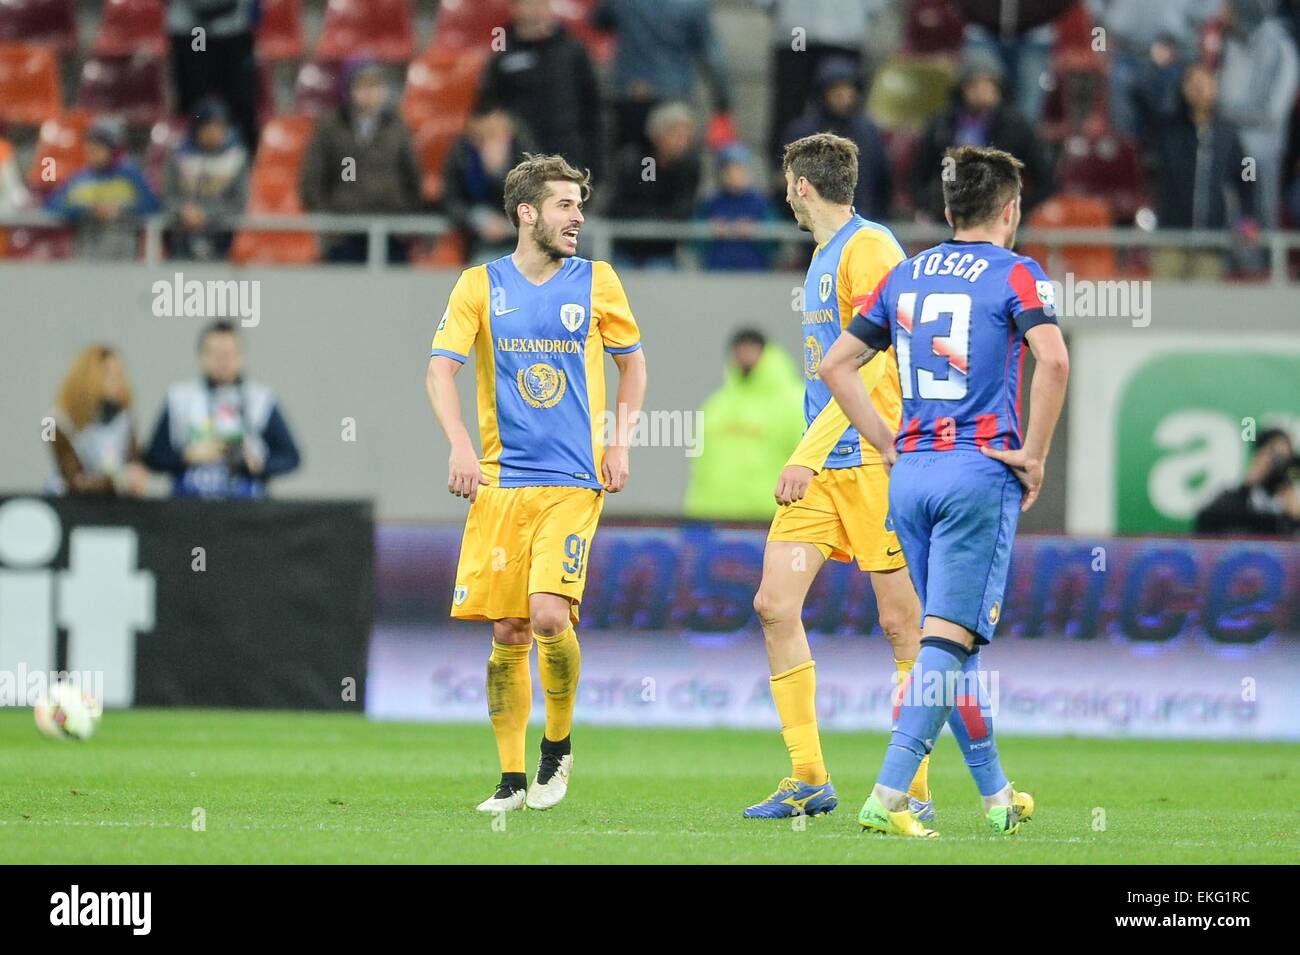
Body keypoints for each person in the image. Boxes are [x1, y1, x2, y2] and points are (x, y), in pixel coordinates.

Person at [818, 144, 1070, 837]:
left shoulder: (907, 273)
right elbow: (1052, 357)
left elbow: (837, 363)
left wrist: (883, 438)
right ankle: (890, 792)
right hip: (976, 470)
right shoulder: (1019, 274)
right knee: (947, 640)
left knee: (946, 642)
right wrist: (1035, 455)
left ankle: (996, 795)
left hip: (912, 475)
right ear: (1011, 209)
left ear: (951, 207)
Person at [425, 154, 647, 813]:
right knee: (508, 632)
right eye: (564, 205)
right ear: (527, 213)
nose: (578, 215)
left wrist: (620, 440)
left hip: (573, 480)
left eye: (580, 204)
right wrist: (461, 444)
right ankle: (511, 778)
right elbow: (440, 371)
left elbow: (635, 369)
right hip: (500, 483)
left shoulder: (597, 281)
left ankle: (558, 742)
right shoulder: (478, 285)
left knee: (550, 613)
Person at [743, 133, 932, 821]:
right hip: (826, 471)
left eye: (785, 182)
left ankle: (914, 786)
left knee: (901, 623)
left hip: (876, 464)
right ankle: (808, 776)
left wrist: (807, 450)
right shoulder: (826, 254)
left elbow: (874, 361)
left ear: (799, 185)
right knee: (774, 603)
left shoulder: (869, 248)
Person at [144, 321, 301, 499]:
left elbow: (291, 457)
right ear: (201, 357)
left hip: (247, 506)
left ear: (241, 356)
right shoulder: (179, 398)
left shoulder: (261, 400)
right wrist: (187, 456)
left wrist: (256, 464)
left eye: (228, 354)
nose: (222, 361)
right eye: (215, 354)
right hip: (189, 507)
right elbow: (153, 457)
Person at [300, 59, 423, 264]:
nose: (370, 92)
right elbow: (312, 180)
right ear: (349, 89)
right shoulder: (330, 127)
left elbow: (413, 179)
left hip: (390, 232)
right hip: (344, 233)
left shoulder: (397, 126)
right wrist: (328, 223)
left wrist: (405, 223)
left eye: (376, 85)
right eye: (363, 85)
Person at [911, 51, 1051, 222]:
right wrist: (931, 206)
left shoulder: (1016, 126)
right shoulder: (942, 124)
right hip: (949, 215)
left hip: (999, 216)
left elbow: (1043, 179)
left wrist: (1017, 207)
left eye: (989, 85)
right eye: (975, 85)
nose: (982, 91)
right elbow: (920, 174)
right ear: (963, 88)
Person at [683, 329, 805, 520]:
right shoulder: (716, 405)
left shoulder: (796, 402)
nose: (744, 354)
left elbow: (810, 461)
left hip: (772, 517)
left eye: (751, 348)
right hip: (714, 520)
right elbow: (701, 467)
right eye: (739, 349)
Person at [1152, 63, 1257, 278]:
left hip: (1212, 242)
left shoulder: (1227, 133)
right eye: (1193, 83)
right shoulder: (1169, 129)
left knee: (1205, 307)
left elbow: (1248, 173)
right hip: (1171, 238)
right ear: (1183, 88)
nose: (1199, 88)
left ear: (1215, 88)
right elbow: (1144, 95)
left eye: (1205, 82)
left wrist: (1247, 217)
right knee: (1166, 307)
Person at [475, 0, 603, 176]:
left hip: (568, 157)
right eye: (530, 3)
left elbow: (593, 109)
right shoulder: (502, 56)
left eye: (542, 3)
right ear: (516, 8)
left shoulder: (573, 51)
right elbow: (485, 110)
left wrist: (596, 164)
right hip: (520, 160)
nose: (537, 9)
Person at [593, 0, 733, 155]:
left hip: (632, 94)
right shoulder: (693, 5)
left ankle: (644, 178)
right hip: (672, 95)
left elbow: (599, 20)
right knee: (668, 160)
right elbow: (712, 57)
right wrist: (722, 104)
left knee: (636, 162)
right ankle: (650, 177)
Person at [780, 57, 892, 219]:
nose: (844, 97)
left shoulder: (867, 131)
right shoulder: (803, 131)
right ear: (823, 93)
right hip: (813, 225)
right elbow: (789, 181)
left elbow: (881, 182)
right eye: (836, 91)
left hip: (861, 220)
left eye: (848, 90)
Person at [45, 117, 161, 260]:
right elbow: (53, 205)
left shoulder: (130, 176)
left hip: (124, 257)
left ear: (113, 150)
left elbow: (152, 205)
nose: (92, 154)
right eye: (90, 149)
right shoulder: (80, 178)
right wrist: (88, 210)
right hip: (86, 255)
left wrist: (120, 210)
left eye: (98, 149)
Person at [608, 101, 701, 268]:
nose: (682, 143)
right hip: (627, 247)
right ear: (657, 135)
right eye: (676, 135)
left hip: (662, 252)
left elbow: (682, 211)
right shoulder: (642, 161)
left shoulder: (689, 168)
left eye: (686, 137)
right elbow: (628, 203)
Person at [47, 345, 148, 497]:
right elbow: (74, 479)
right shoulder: (52, 421)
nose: (117, 381)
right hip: (66, 500)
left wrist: (135, 475)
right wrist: (118, 481)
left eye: (119, 373)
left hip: (112, 503)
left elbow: (133, 461)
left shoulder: (127, 417)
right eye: (108, 374)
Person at [441, 106, 535, 264]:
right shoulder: (462, 154)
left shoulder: (525, 155)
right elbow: (451, 201)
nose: (488, 142)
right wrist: (476, 218)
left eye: (495, 134)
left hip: (522, 242)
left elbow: (537, 197)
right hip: (477, 243)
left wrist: (499, 172)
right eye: (482, 137)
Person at [166, 0, 260, 157]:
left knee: (240, 101)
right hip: (195, 32)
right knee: (195, 98)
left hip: (233, 31)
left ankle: (243, 161)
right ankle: (192, 158)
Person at [166, 98, 250, 261]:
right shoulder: (177, 156)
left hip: (222, 240)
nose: (214, 132)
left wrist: (207, 215)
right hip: (182, 239)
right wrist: (182, 211)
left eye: (220, 126)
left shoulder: (236, 158)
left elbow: (240, 202)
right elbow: (167, 196)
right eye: (209, 126)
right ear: (197, 127)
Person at [1195, 428, 1300, 535]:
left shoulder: (1292, 500)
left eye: (1285, 459)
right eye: (1275, 458)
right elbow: (1206, 522)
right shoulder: (1236, 497)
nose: (1279, 466)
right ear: (1258, 457)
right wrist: (1246, 488)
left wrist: (1294, 517)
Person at [692, 144, 778, 272]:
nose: (734, 175)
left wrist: (755, 231)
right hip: (716, 272)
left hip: (755, 273)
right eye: (729, 170)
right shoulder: (711, 202)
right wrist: (711, 230)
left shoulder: (760, 203)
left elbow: (776, 240)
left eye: (739, 169)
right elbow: (693, 239)